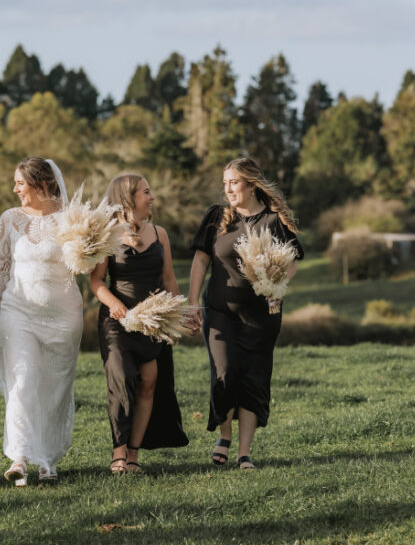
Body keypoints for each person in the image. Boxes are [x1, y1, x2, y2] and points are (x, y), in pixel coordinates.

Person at [187, 157, 303, 470]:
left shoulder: (273, 219)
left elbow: (292, 259)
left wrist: (278, 284)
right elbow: (200, 261)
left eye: (234, 182)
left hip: (262, 316)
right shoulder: (217, 216)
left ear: (251, 184)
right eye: (225, 183)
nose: (228, 189)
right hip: (220, 311)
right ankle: (224, 434)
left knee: (253, 379)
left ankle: (244, 453)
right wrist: (193, 300)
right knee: (225, 372)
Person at [0, 157, 83, 485]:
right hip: (18, 311)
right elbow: (0, 266)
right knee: (24, 380)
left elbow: (83, 264)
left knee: (54, 388)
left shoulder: (72, 219)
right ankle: (21, 457)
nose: (15, 189)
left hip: (63, 315)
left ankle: (47, 461)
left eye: (20, 183)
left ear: (41, 185)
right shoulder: (9, 219)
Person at [90, 173, 188, 475]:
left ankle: (133, 454)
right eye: (146, 192)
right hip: (117, 321)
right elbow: (95, 281)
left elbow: (169, 278)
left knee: (149, 382)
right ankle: (117, 452)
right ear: (128, 197)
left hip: (152, 322)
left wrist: (179, 314)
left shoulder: (160, 233)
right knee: (121, 379)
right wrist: (115, 304)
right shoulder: (108, 233)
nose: (152, 197)